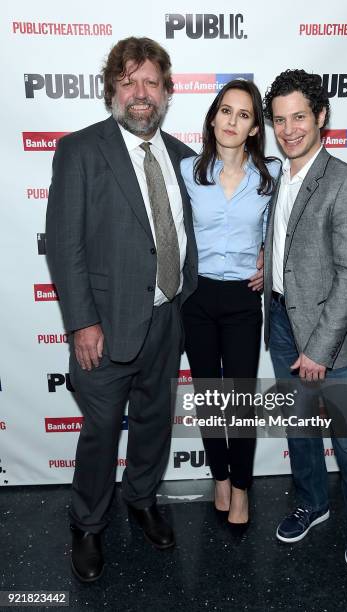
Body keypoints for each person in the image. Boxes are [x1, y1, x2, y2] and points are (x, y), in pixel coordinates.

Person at [46, 36, 197, 582]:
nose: (140, 93)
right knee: (102, 429)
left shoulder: (183, 157)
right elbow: (65, 244)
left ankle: (141, 499)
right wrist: (82, 322)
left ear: (166, 92)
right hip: (104, 327)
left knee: (155, 423)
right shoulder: (81, 150)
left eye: (150, 82)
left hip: (166, 318)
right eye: (129, 81)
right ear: (112, 88)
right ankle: (87, 524)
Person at [262, 69, 347, 568]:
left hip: (329, 338)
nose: (289, 130)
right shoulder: (278, 177)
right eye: (280, 120)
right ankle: (312, 503)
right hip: (283, 323)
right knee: (299, 428)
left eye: (299, 118)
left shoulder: (345, 183)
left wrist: (319, 349)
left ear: (321, 117)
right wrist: (266, 271)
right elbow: (293, 248)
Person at [181, 79, 279, 525]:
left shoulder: (272, 176)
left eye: (243, 114)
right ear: (213, 117)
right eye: (226, 111)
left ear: (255, 128)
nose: (232, 121)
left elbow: (289, 229)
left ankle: (240, 488)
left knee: (239, 402)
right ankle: (219, 477)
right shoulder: (187, 171)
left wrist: (269, 260)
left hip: (244, 297)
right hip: (197, 296)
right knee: (207, 396)